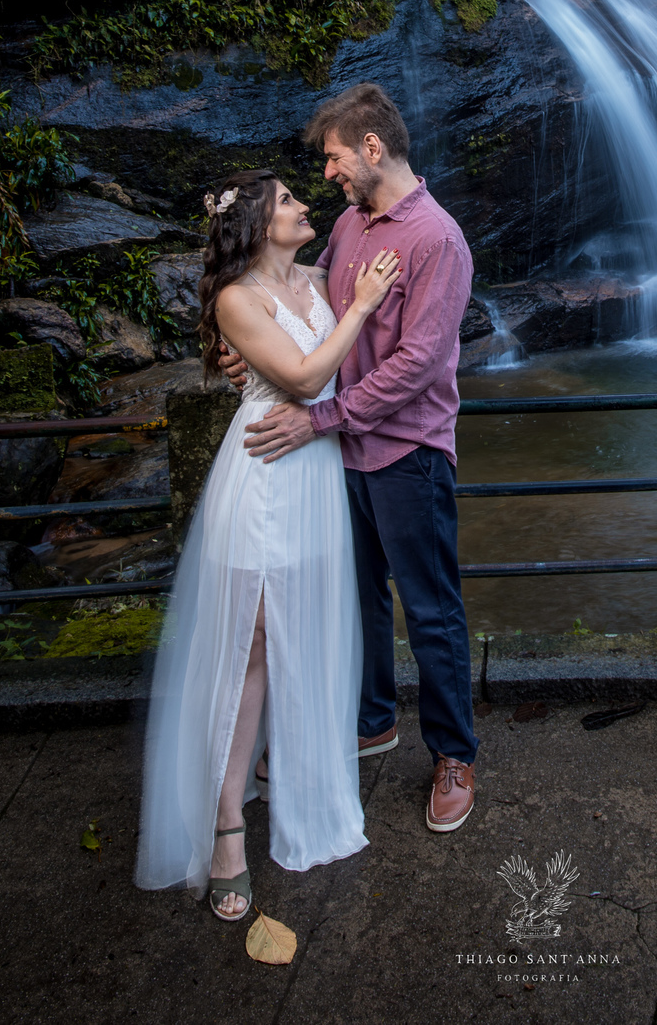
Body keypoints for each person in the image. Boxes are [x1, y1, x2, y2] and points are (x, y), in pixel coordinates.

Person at [135, 167, 400, 921]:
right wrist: (363, 306)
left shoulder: (316, 276)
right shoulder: (236, 299)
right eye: (287, 200)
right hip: (258, 483)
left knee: (299, 627)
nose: (303, 205)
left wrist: (353, 296)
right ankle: (224, 826)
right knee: (251, 640)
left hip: (313, 480)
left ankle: (269, 764)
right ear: (256, 223)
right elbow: (309, 373)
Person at [225, 83, 479, 834]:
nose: (327, 171)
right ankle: (374, 719)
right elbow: (303, 300)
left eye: (334, 156)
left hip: (409, 453)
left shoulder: (437, 239)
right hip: (342, 452)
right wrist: (246, 344)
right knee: (359, 597)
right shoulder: (345, 226)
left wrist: (320, 416)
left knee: (430, 608)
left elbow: (419, 365)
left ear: (372, 147)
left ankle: (454, 752)